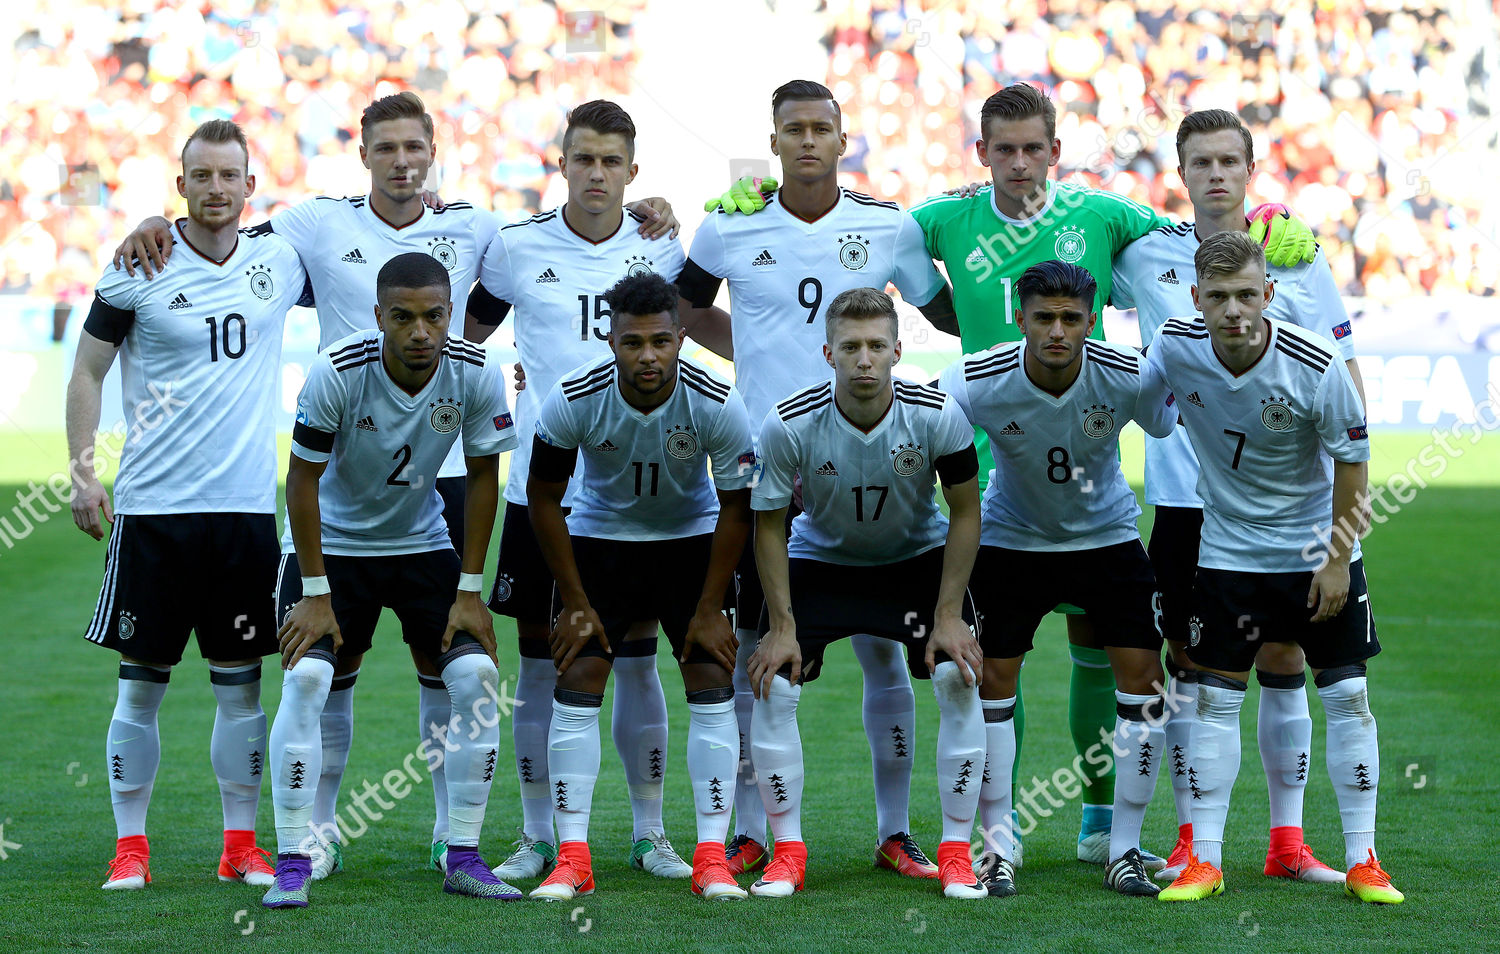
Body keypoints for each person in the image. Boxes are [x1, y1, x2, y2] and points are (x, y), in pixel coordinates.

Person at [112, 92, 673, 876]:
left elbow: (527, 279)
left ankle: (452, 831)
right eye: (388, 148)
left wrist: (648, 209)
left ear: (433, 150)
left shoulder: (476, 227)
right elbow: (225, 234)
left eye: (416, 147)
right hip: (343, 488)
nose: (403, 161)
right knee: (328, 670)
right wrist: (158, 228)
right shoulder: (314, 223)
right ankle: (318, 831)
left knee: (443, 669)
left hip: (443, 492)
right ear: (365, 153)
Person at [676, 79, 961, 880]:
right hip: (767, 462)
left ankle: (895, 832)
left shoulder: (888, 222)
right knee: (757, 657)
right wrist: (756, 363)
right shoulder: (729, 224)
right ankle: (749, 832)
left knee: (881, 652)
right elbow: (680, 307)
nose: (807, 141)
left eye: (821, 129)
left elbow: (945, 311)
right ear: (772, 143)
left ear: (843, 140)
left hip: (869, 458)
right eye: (792, 130)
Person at [1112, 108, 1364, 883]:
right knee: (1192, 667)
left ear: (1250, 171)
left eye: (1230, 161)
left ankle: (1287, 843)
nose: (1215, 175)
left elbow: (1344, 371)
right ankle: (1195, 840)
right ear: (1180, 174)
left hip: (1286, 506)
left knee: (1287, 655)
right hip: (1190, 501)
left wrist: (1345, 522)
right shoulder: (1143, 253)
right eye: (1200, 163)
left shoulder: (1296, 252)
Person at [67, 119, 306, 890]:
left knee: (242, 689)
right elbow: (86, 374)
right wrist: (82, 471)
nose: (215, 189)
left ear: (248, 185)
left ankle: (240, 845)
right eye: (200, 176)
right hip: (154, 513)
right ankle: (129, 847)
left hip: (243, 518)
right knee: (142, 686)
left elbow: (360, 231)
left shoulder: (278, 256)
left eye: (227, 176)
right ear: (181, 186)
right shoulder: (140, 264)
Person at [467, 101, 697, 883]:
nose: (595, 173)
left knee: (635, 663)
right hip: (545, 494)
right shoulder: (516, 248)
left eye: (610, 162)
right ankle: (537, 837)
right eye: (582, 159)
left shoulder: (662, 247)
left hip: (641, 500)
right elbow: (465, 334)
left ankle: (649, 833)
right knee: (541, 667)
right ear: (560, 164)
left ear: (632, 171)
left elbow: (697, 327)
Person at [1148, 230, 1402, 905]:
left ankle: (1364, 861)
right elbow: (1142, 402)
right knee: (1213, 701)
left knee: (1348, 697)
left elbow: (1353, 462)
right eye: (1219, 298)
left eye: (1246, 296)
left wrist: (1338, 558)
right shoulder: (1175, 345)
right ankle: (1205, 860)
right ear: (1198, 299)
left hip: (1317, 550)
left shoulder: (1314, 361)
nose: (1234, 311)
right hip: (1229, 554)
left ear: (1269, 294)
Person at [263, 252, 519, 907]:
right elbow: (302, 479)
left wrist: (470, 589)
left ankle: (459, 848)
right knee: (312, 677)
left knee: (475, 678)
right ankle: (298, 853)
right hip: (334, 550)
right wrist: (316, 595)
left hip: (422, 543)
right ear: (379, 317)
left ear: (449, 314)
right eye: (402, 317)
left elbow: (485, 476)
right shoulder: (338, 371)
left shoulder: (474, 370)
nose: (420, 331)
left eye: (434, 316)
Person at [939, 260, 1176, 898]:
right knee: (991, 683)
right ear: (1019, 318)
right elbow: (933, 440)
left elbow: (1166, 421)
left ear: (1092, 320)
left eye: (1071, 318)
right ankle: (997, 845)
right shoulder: (974, 380)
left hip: (1108, 541)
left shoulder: (1127, 374)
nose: (1057, 331)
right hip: (1013, 543)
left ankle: (1121, 847)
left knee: (1146, 687)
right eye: (1043, 317)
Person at [745, 287, 986, 901]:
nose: (864, 360)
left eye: (877, 346)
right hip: (822, 562)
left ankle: (948, 851)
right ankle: (788, 852)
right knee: (775, 682)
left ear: (899, 350)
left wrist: (950, 614)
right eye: (850, 347)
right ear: (827, 352)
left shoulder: (936, 415)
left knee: (958, 678)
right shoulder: (789, 421)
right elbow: (767, 522)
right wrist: (781, 624)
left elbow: (964, 512)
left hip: (912, 562)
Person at [521, 272, 755, 901]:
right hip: (601, 546)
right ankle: (573, 857)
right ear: (611, 338)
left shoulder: (715, 399)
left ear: (681, 337)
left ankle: (712, 855)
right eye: (631, 343)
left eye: (659, 341)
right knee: (577, 682)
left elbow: (737, 504)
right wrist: (572, 602)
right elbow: (543, 498)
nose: (647, 356)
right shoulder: (574, 397)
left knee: (710, 680)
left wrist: (711, 607)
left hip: (690, 543)